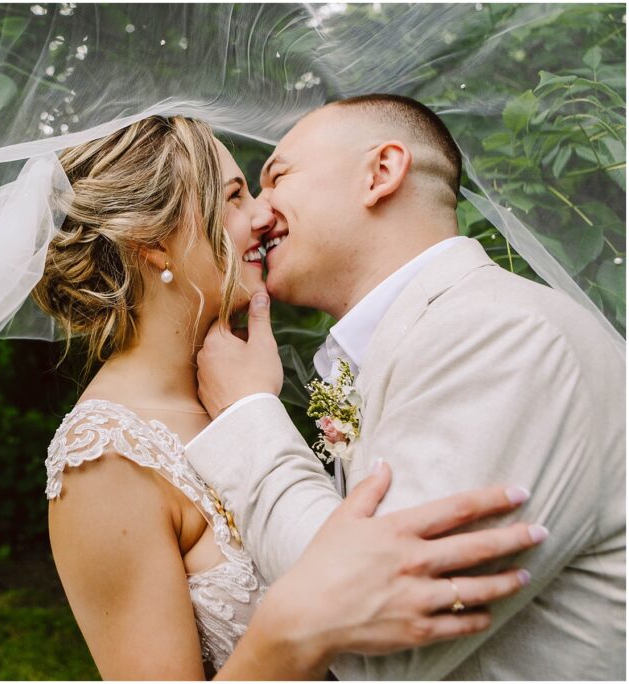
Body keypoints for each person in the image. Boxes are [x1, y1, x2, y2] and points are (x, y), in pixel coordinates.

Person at [32, 115, 546, 679]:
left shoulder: (240, 392)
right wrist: (295, 628)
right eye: (233, 197)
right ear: (153, 245)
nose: (263, 214)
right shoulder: (106, 454)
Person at [188, 95, 626, 679]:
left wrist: (246, 415)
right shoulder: (432, 336)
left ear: (381, 173)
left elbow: (380, 649)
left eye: (277, 178)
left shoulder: (502, 335)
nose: (258, 216)